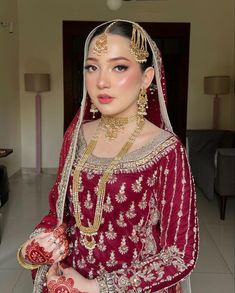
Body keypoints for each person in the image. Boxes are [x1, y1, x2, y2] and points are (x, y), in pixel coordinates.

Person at [17, 19, 199, 293]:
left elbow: (179, 255)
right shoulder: (77, 135)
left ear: (146, 77)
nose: (101, 81)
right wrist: (39, 244)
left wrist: (96, 287)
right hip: (71, 278)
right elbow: (60, 213)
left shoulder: (166, 150)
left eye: (119, 67)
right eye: (92, 67)